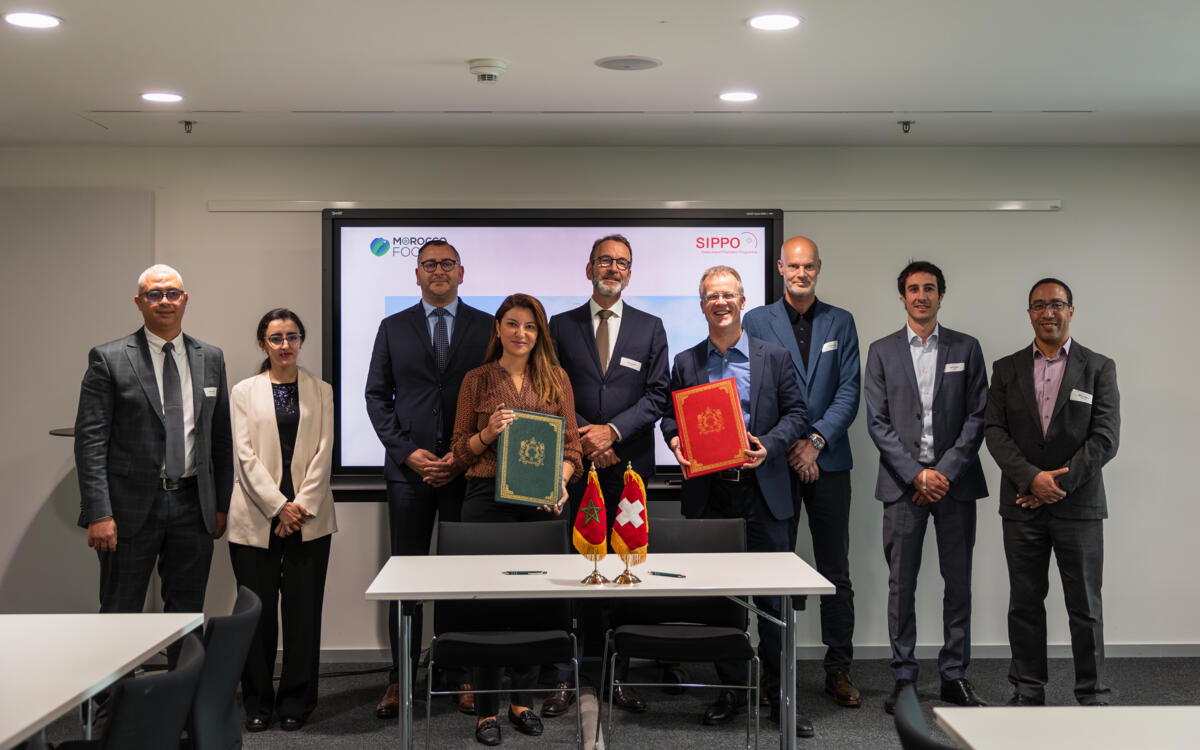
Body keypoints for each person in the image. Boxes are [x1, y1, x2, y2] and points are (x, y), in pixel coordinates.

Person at [659, 266, 807, 730]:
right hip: (712, 495)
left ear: (743, 301)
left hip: (763, 493)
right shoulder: (686, 362)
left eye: (728, 295)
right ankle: (731, 690)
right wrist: (675, 440)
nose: (720, 302)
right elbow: (670, 417)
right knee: (723, 602)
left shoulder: (775, 357)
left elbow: (797, 413)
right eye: (711, 296)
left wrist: (769, 445)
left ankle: (779, 697)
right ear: (701, 305)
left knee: (772, 603)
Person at [365, 240, 492, 718]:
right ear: (416, 274)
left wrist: (463, 453)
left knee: (461, 579)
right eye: (429, 264)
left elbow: (495, 394)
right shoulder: (393, 327)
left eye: (447, 264)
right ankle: (400, 678)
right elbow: (377, 397)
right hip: (408, 474)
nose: (438, 271)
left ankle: (460, 674)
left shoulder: (488, 326)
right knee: (407, 578)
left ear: (461, 272)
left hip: (467, 470)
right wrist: (407, 452)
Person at [450, 293, 583, 746]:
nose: (520, 333)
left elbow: (572, 448)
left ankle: (522, 701)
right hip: (485, 500)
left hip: (541, 504)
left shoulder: (557, 378)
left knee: (533, 603)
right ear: (498, 328)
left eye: (529, 325)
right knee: (487, 605)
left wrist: (561, 481)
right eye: (512, 323)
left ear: (539, 332)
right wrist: (487, 433)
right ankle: (486, 710)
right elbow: (459, 450)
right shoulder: (477, 379)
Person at [546, 233, 669, 716]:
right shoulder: (560, 325)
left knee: (625, 570)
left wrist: (612, 433)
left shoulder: (651, 327)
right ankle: (564, 676)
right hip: (573, 467)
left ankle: (619, 676)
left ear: (630, 273)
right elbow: (550, 391)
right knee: (569, 568)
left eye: (621, 262)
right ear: (589, 268)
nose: (612, 268)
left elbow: (658, 395)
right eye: (604, 260)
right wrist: (586, 438)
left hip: (628, 468)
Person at [742, 235, 862, 723]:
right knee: (773, 574)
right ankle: (776, 676)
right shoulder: (756, 320)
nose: (801, 273)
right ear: (780, 268)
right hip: (776, 463)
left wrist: (815, 441)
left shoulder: (841, 321)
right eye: (793, 266)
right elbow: (755, 392)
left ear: (818, 268)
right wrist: (791, 444)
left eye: (808, 266)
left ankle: (839, 668)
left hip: (828, 460)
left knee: (835, 571)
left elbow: (849, 391)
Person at [984, 278, 1120, 707]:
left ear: (1071, 311)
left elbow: (1105, 438)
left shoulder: (1098, 367)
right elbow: (994, 431)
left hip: (1078, 506)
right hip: (1021, 506)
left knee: (1085, 605)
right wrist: (1031, 479)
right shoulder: (1006, 369)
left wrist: (1054, 484)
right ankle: (1028, 689)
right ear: (1029, 314)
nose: (1048, 313)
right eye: (1039, 305)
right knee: (1025, 603)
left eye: (1057, 304)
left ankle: (1092, 693)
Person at [74, 264, 232, 625]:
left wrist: (220, 504)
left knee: (186, 615)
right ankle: (119, 670)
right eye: (154, 294)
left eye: (172, 293)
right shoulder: (109, 358)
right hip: (128, 510)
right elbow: (90, 442)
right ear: (139, 302)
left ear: (185, 299)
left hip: (193, 505)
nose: (165, 301)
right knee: (120, 613)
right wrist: (99, 512)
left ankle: (183, 667)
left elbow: (221, 438)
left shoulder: (211, 357)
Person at [863, 262, 989, 714]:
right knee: (901, 585)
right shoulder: (881, 351)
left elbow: (978, 416)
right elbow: (877, 422)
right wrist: (917, 474)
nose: (921, 296)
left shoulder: (966, 348)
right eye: (913, 289)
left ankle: (954, 674)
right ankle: (904, 677)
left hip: (955, 485)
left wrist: (943, 473)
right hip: (903, 487)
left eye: (929, 288)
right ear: (902, 296)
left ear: (941, 295)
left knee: (958, 583)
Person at [227, 308, 337, 732]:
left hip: (309, 519)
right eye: (276, 338)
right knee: (255, 618)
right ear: (263, 344)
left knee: (303, 614)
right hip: (256, 518)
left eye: (292, 336)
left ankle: (296, 701)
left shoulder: (321, 391)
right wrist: (278, 507)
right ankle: (257, 702)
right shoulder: (243, 392)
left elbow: (324, 452)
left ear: (301, 340)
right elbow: (244, 456)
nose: (285, 345)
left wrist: (299, 507)